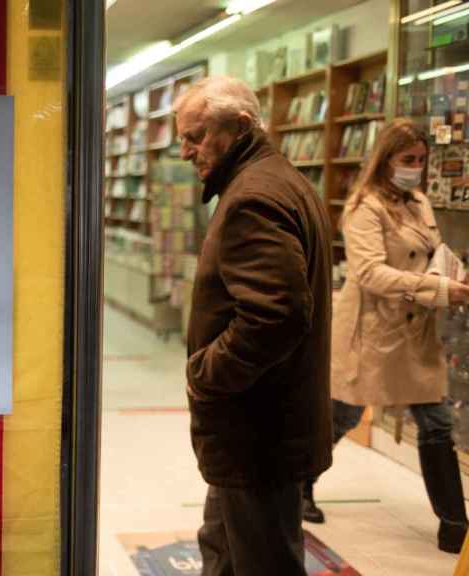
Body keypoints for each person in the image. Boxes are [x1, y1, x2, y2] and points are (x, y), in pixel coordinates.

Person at [174, 76, 334, 575]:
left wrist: (205, 374)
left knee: (264, 562)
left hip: (259, 433)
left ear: (240, 127)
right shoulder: (279, 178)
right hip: (253, 431)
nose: (185, 152)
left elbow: (276, 315)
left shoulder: (253, 198)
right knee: (223, 550)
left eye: (196, 136)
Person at [303, 118, 469, 553]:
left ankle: (455, 526)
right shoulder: (364, 206)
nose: (415, 167)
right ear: (386, 159)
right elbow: (369, 272)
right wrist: (437, 289)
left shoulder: (418, 201)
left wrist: (449, 274)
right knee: (342, 415)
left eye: (421, 160)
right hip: (371, 333)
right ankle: (300, 484)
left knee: (436, 423)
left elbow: (430, 253)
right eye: (407, 159)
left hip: (414, 332)